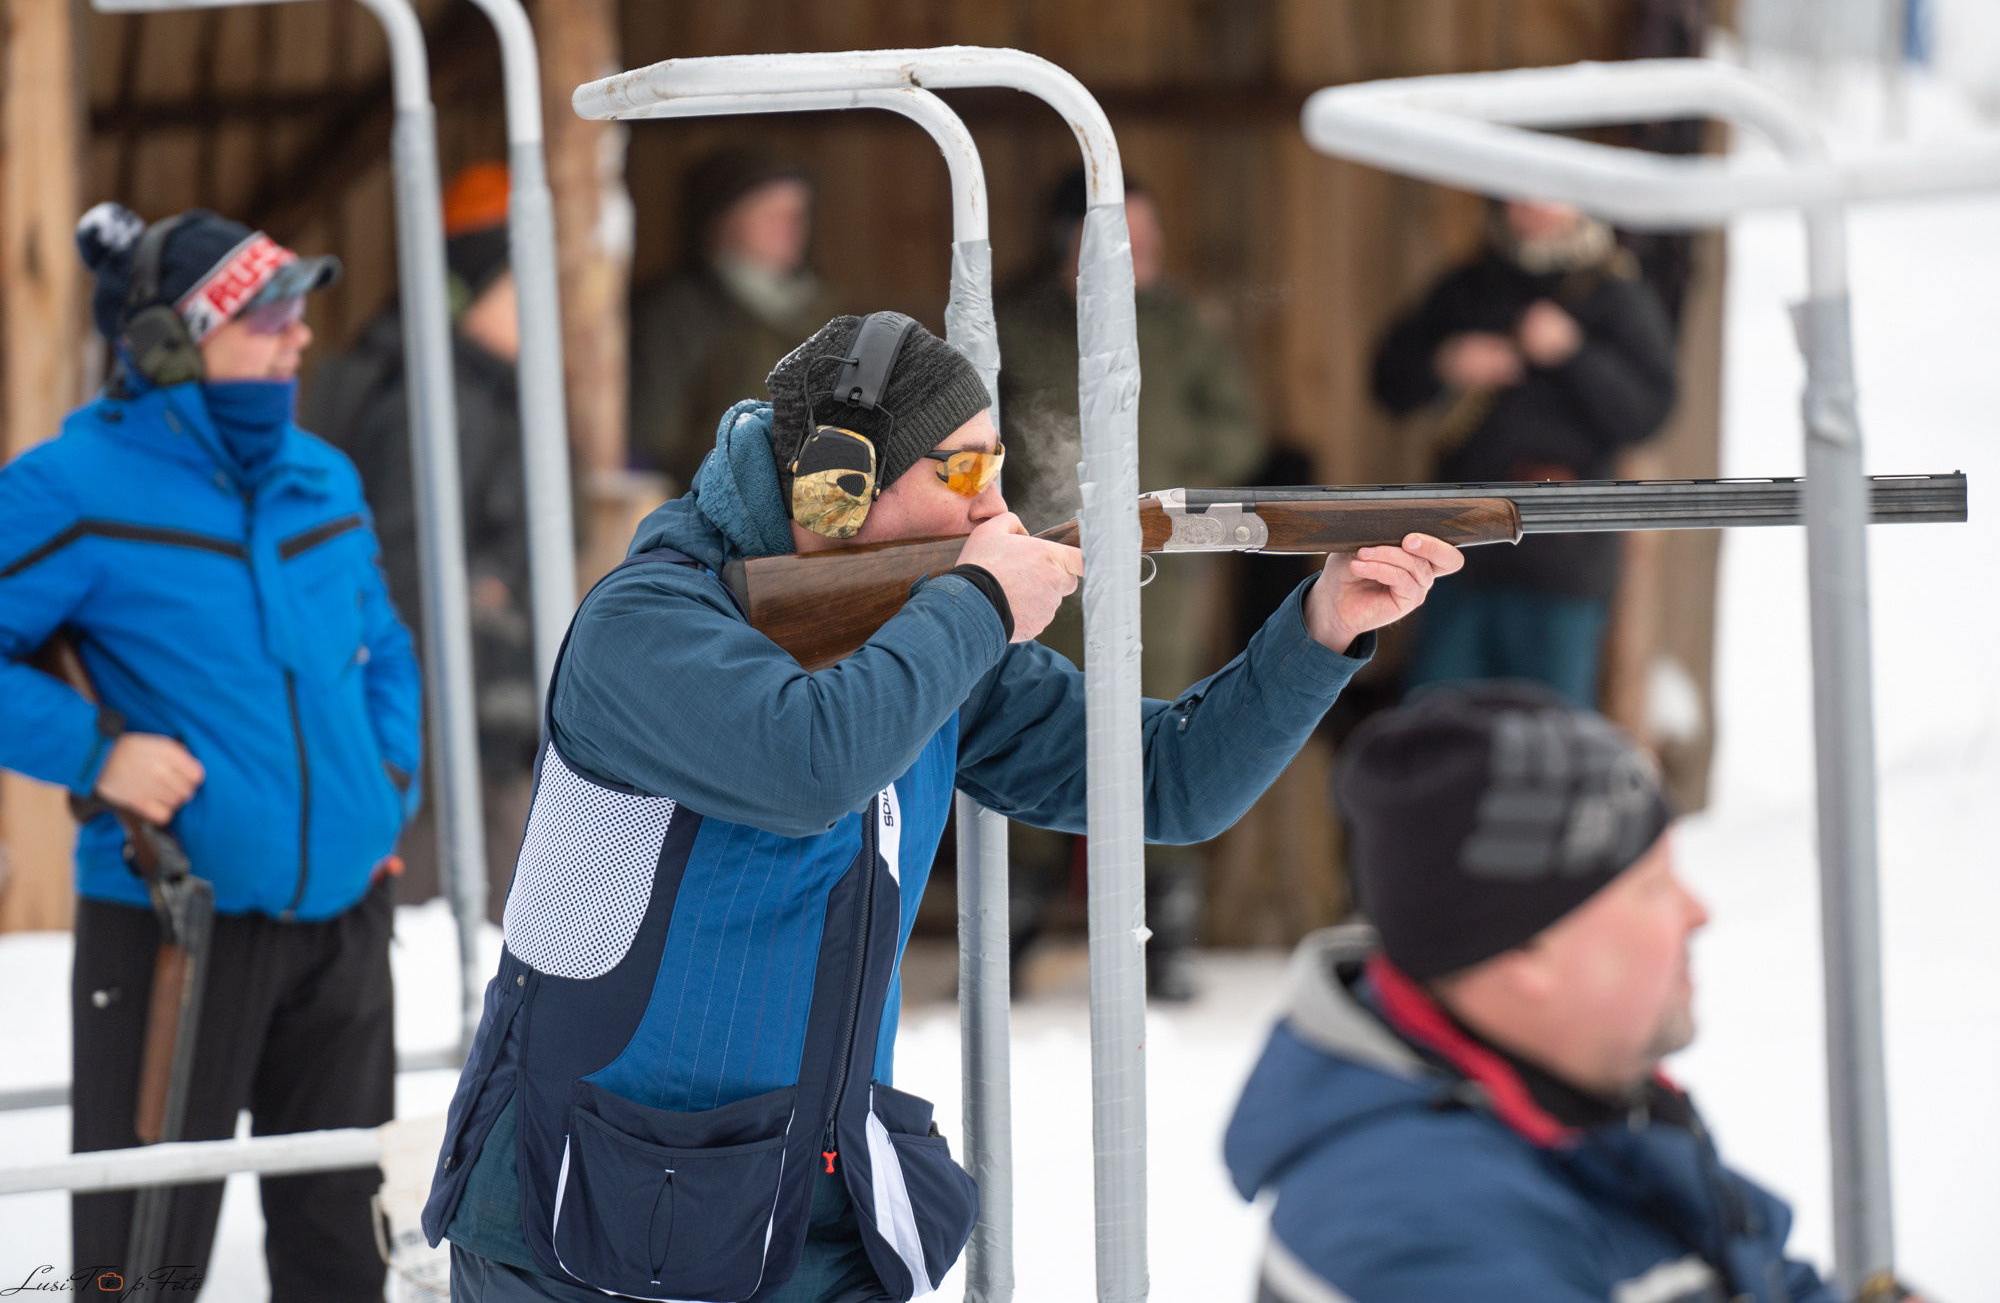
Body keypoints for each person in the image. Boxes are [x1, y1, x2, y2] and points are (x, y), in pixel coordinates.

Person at [423, 311, 1463, 1302]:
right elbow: (807, 764)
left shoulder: (921, 637)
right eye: (959, 471)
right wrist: (974, 605)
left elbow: (1165, 781)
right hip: (584, 1228)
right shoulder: (644, 624)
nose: (990, 511)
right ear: (835, 489)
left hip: (813, 1222)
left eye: (996, 468)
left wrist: (1322, 629)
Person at [0, 203, 421, 1300]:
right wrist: (96, 754)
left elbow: (383, 646)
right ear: (168, 345)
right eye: (268, 315)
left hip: (346, 927)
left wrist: (382, 791)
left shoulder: (322, 476)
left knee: (344, 1246)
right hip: (172, 928)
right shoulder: (69, 490)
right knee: (139, 1262)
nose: (301, 337)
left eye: (297, 312)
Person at [1224, 684, 1891, 1303]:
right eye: (1653, 885)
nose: (1698, 911)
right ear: (1523, 952)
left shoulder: (1574, 1096)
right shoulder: (1429, 1230)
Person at [997, 169, 1268, 999]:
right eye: (1119, 240)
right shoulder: (1018, 326)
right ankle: (1014, 925)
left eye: (1144, 241)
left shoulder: (1181, 329)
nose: (1136, 255)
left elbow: (1240, 427)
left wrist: (1169, 492)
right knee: (1032, 723)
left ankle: (1167, 935)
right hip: (1046, 563)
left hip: (1159, 573)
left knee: (1162, 731)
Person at [306, 161, 537, 919]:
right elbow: (407, 573)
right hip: (447, 730)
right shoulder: (437, 404)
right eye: (519, 285)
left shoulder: (471, 389)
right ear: (468, 293)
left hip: (471, 712)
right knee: (462, 907)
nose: (540, 307)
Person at [1371, 200, 1678, 706]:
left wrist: (1574, 353)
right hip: (1457, 549)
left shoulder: (1613, 292)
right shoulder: (1472, 284)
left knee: (1550, 737)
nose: (1529, 206)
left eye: (1545, 191)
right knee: (1437, 729)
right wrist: (1446, 361)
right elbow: (1389, 380)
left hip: (1560, 558)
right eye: (1518, 191)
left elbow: (1650, 413)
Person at [629, 145, 837, 491]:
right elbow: (649, 445)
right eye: (769, 213)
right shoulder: (677, 315)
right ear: (720, 221)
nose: (789, 226)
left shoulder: (824, 308)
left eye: (797, 213)